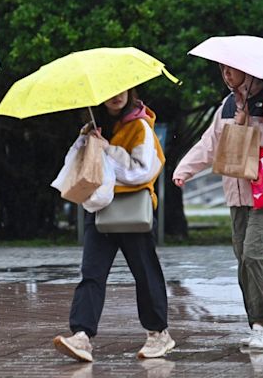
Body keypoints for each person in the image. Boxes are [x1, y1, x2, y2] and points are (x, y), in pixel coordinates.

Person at [172, 64, 263, 348]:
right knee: (244, 261)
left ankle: (261, 325)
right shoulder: (227, 105)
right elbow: (210, 143)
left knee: (254, 255)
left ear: (247, 70)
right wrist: (185, 169)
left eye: (231, 70)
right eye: (222, 70)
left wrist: (250, 125)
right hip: (236, 192)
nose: (226, 75)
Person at [53, 88, 175, 362]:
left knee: (145, 273)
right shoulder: (90, 128)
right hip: (100, 209)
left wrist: (108, 151)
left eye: (121, 90)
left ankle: (159, 333)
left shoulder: (140, 126)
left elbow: (143, 170)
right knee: (92, 273)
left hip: (133, 209)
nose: (116, 95)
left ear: (130, 91)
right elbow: (75, 165)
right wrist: (89, 146)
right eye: (108, 91)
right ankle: (82, 336)